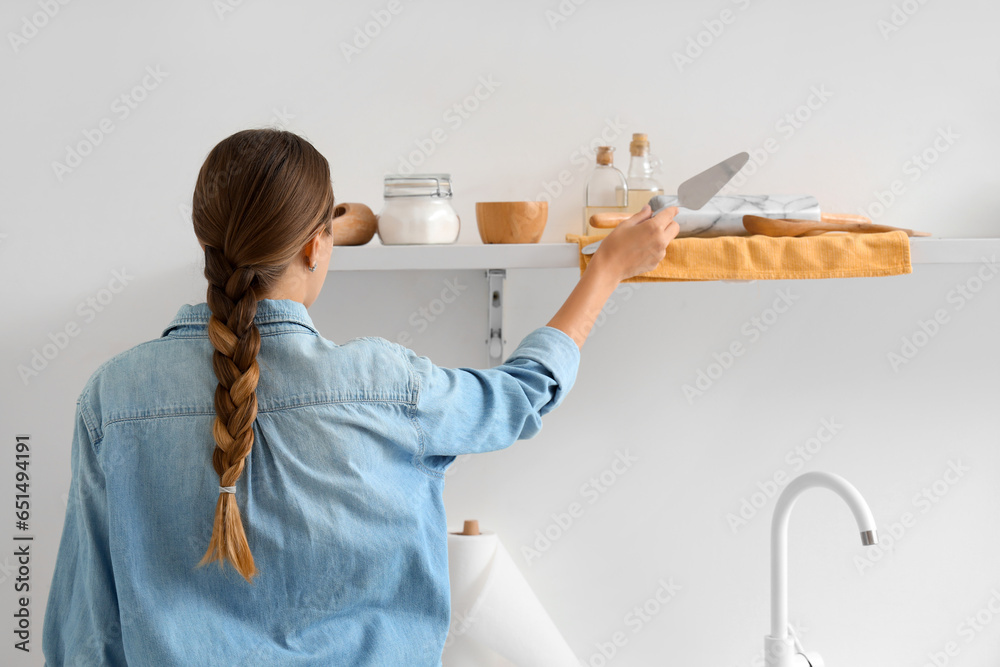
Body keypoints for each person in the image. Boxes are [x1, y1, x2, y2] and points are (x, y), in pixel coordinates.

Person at [41, 128, 678, 666]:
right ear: (320, 244)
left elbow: (82, 638)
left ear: (206, 243)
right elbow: (522, 395)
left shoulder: (113, 400)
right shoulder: (388, 386)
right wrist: (609, 269)